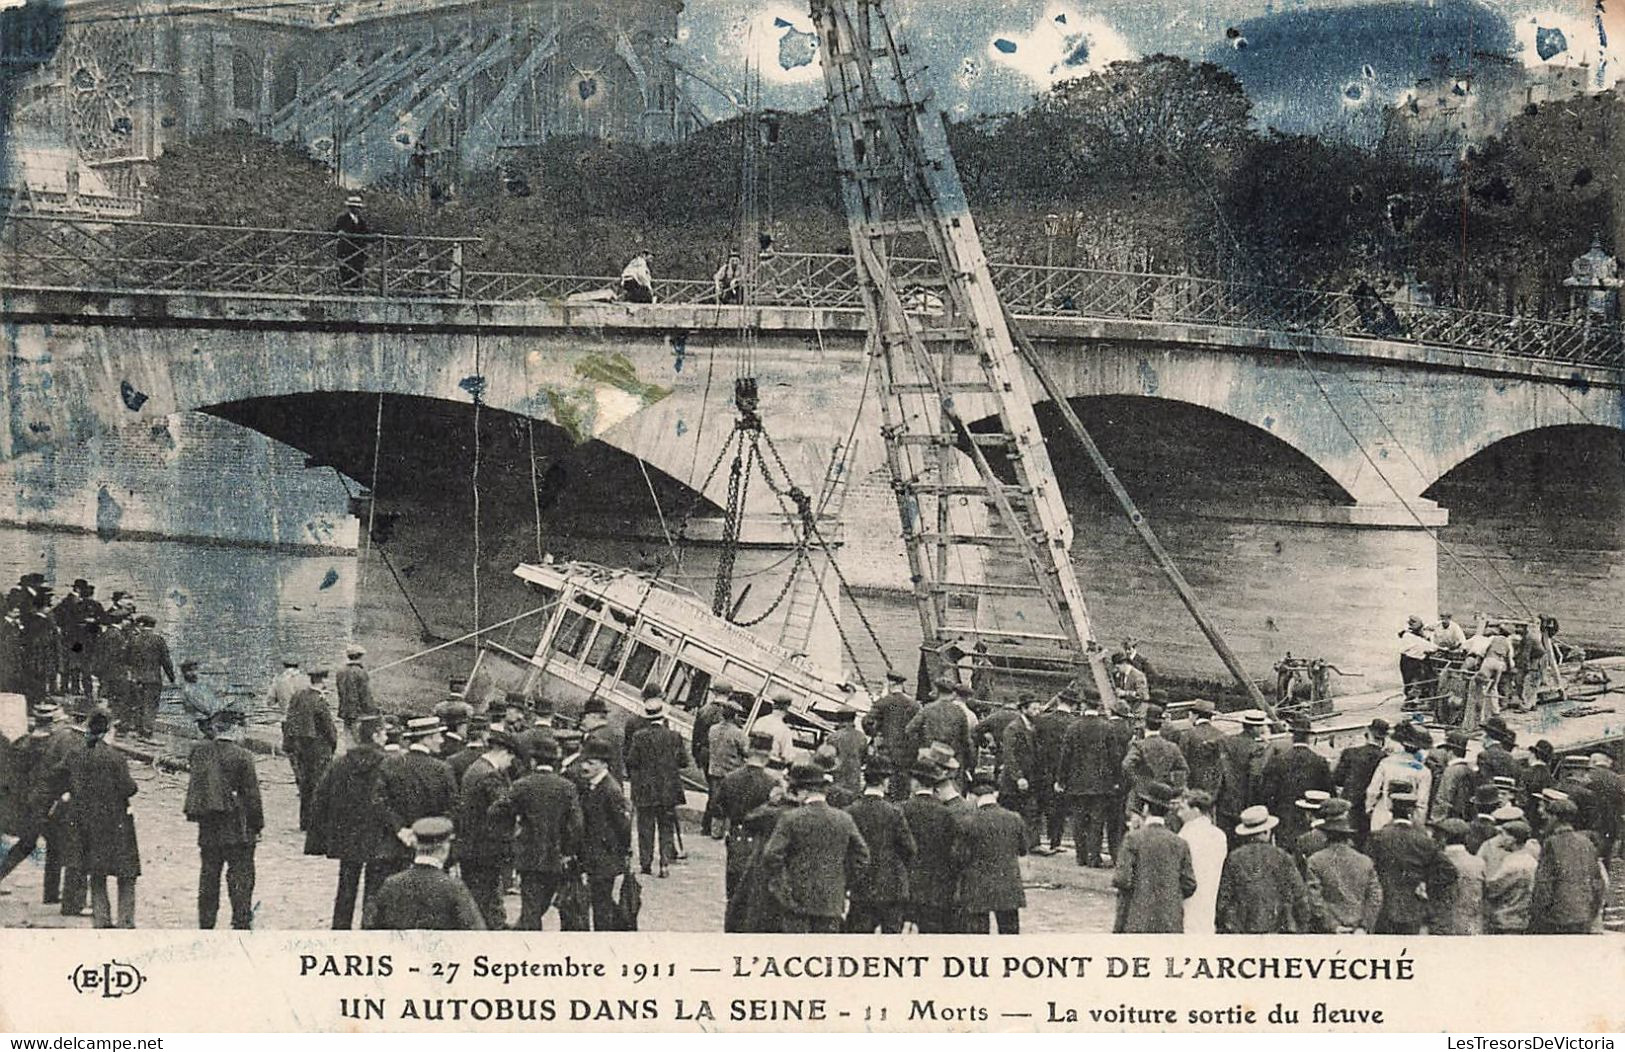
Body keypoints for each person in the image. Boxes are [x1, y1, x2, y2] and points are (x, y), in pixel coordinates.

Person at [761, 759, 870, 934]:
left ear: (803, 791)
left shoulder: (791, 818)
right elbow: (862, 857)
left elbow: (771, 856)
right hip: (831, 902)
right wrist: (842, 881)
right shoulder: (844, 819)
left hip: (796, 901)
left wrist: (782, 887)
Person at [490, 732, 583, 931]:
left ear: (533, 761)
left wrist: (514, 829)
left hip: (528, 856)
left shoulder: (522, 785)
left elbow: (496, 811)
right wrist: (568, 851)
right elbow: (576, 825)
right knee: (554, 904)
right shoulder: (567, 787)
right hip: (557, 857)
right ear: (555, 760)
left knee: (531, 908)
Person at [61, 709, 141, 928]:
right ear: (108, 731)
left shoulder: (76, 754)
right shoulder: (115, 757)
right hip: (116, 821)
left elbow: (61, 777)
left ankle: (102, 918)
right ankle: (125, 920)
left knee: (97, 871)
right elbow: (129, 788)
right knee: (126, 873)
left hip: (86, 821)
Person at [184, 709, 263, 930]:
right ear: (235, 729)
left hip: (208, 825)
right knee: (241, 875)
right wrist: (258, 825)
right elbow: (252, 796)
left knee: (209, 875)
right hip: (238, 827)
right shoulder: (243, 756)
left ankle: (206, 923)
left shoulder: (199, 751)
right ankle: (240, 920)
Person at [310, 714, 390, 929]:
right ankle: (369, 929)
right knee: (374, 887)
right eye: (384, 732)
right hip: (377, 835)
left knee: (346, 885)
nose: (387, 736)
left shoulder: (341, 763)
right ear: (375, 735)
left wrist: (322, 833)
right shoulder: (387, 764)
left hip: (347, 836)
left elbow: (320, 797)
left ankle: (340, 928)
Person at [371, 716, 458, 884]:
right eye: (438, 736)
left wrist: (401, 829)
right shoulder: (442, 769)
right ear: (427, 739)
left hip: (394, 845)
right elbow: (452, 807)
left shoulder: (390, 764)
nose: (441, 741)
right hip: (431, 847)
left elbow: (379, 801)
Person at [363, 817, 484, 930]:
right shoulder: (453, 887)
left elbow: (370, 930)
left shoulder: (391, 884)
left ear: (416, 846)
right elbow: (476, 934)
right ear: (444, 849)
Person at [456, 729, 523, 930]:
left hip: (472, 846)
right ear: (504, 753)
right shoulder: (490, 775)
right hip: (485, 848)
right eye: (510, 759)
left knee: (480, 894)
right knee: (487, 894)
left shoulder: (475, 768)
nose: (510, 765)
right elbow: (504, 807)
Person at [1367, 787, 1455, 934]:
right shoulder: (1423, 840)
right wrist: (1425, 884)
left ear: (1391, 810)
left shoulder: (1377, 837)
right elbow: (1449, 872)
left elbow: (1369, 868)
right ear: (1412, 812)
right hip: (1413, 907)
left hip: (1383, 907)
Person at [1112, 781, 1196, 933]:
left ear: (1145, 808)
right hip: (1170, 921)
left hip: (1137, 919)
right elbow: (1189, 884)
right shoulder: (1180, 842)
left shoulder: (1133, 839)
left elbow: (1122, 879)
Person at [843, 758, 915, 933]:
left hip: (861, 888)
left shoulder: (850, 812)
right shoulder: (894, 812)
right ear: (885, 782)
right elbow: (909, 848)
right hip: (891, 887)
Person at [1215, 805, 1309, 934]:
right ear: (1267, 832)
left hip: (1243, 929)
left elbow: (1224, 899)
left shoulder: (1234, 858)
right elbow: (1299, 894)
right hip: (1278, 928)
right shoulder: (1282, 856)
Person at [954, 774, 1027, 934]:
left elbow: (959, 856)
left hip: (977, 889)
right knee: (1010, 938)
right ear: (996, 794)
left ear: (973, 796)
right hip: (1008, 887)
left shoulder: (968, 821)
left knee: (979, 941)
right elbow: (1023, 850)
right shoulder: (1014, 818)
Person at [626, 695, 686, 877]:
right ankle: (665, 863)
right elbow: (683, 761)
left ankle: (646, 863)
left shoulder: (639, 736)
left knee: (645, 827)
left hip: (645, 789)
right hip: (668, 789)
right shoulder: (674, 736)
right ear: (663, 716)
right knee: (666, 826)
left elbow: (631, 761)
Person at [577, 737, 632, 931]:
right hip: (594, 856)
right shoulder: (592, 785)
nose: (584, 767)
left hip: (605, 857)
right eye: (584, 762)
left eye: (590, 763)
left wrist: (622, 852)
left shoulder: (610, 790)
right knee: (599, 901)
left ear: (603, 765)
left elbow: (623, 826)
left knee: (602, 906)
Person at [902, 753, 959, 933]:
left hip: (907, 882)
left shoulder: (901, 809)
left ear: (916, 783)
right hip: (936, 884)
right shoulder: (946, 813)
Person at [1529, 796, 1605, 934]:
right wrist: (1593, 908)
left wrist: (1538, 913)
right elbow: (1597, 881)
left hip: (1558, 915)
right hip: (1584, 912)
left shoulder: (1551, 843)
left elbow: (1544, 883)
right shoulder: (1586, 842)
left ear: (1555, 818)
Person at [1059, 695, 1118, 868]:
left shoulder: (1073, 727)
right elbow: (1114, 757)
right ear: (1098, 707)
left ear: (1084, 705)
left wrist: (1061, 780)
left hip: (1077, 783)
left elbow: (1066, 756)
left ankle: (1081, 856)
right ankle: (1094, 857)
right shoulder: (1107, 728)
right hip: (1101, 784)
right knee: (1096, 822)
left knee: (1079, 820)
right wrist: (1115, 779)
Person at [1304, 804, 1382, 933]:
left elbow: (1314, 899)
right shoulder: (1365, 861)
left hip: (1327, 931)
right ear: (1348, 836)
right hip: (1358, 930)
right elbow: (1375, 896)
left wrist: (1333, 925)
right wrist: (1364, 926)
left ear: (1326, 834)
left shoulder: (1315, 861)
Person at [1260, 712, 1333, 845]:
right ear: (1308, 737)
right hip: (1310, 820)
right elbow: (1329, 793)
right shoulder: (1319, 761)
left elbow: (1267, 794)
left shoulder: (1278, 761)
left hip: (1283, 819)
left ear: (1293, 736)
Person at [282, 667, 338, 832]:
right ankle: (318, 823)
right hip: (318, 749)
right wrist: (333, 744)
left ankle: (305, 822)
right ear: (323, 682)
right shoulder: (319, 701)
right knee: (319, 785)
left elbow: (290, 719)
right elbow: (329, 729)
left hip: (300, 748)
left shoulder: (298, 696)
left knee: (305, 785)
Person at [1366, 721, 1433, 832]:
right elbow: (1422, 802)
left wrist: (1369, 808)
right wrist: (1419, 824)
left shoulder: (1386, 763)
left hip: (1383, 812)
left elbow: (1373, 790)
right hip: (1407, 818)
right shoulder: (1423, 771)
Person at [1176, 789, 1227, 934]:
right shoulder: (1219, 835)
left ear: (1196, 810)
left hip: (1188, 893)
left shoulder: (1185, 835)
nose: (1179, 813)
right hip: (1211, 891)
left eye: (1183, 808)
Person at [864, 670, 921, 801]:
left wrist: (874, 734)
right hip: (907, 752)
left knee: (886, 782)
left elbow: (867, 721)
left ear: (890, 684)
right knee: (903, 785)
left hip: (887, 750)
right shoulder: (914, 705)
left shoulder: (883, 702)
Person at [997, 693, 1044, 848]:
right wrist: (1018, 777)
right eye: (1034, 709)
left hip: (1030, 777)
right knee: (1012, 810)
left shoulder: (1033, 727)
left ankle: (1030, 843)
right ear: (1024, 709)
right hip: (1014, 780)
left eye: (1038, 709)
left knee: (1030, 811)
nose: (1037, 712)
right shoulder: (1013, 728)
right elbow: (1009, 755)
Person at [1332, 719, 1388, 849]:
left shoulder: (1350, 753)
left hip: (1349, 807)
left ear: (1367, 733)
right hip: (1370, 812)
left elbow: (1337, 779)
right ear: (1384, 738)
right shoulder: (1385, 758)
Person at [1216, 709, 1269, 844]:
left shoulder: (1226, 741)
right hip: (1244, 803)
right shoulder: (1257, 748)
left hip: (1225, 802)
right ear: (1255, 728)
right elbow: (1255, 776)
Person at [906, 680, 977, 778]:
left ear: (938, 691)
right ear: (953, 693)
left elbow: (910, 730)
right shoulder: (959, 712)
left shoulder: (927, 709)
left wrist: (921, 748)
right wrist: (970, 762)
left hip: (929, 756)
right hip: (950, 759)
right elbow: (965, 740)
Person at [123, 614, 174, 739]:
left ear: (141, 625)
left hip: (137, 677)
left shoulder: (133, 640)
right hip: (153, 678)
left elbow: (126, 659)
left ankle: (138, 729)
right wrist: (171, 677)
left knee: (138, 704)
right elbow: (166, 661)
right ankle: (147, 731)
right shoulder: (159, 640)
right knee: (151, 705)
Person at [1482, 819, 1538, 934]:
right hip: (1522, 917)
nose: (1500, 838)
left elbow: (1493, 889)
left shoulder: (1512, 863)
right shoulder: (1531, 860)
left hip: (1507, 918)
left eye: (1503, 834)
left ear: (1512, 839)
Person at [1431, 817, 1484, 935]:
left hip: (1442, 926)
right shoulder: (1478, 863)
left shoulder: (1436, 862)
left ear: (1444, 838)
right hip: (1471, 925)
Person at [692, 681, 730, 836]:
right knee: (717, 791)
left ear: (714, 693)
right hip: (722, 754)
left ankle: (707, 825)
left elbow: (696, 736)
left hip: (705, 752)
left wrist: (697, 755)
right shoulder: (729, 712)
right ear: (729, 694)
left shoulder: (703, 710)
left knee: (712, 789)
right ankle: (710, 825)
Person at [335, 645, 375, 742]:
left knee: (347, 735)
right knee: (357, 737)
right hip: (358, 712)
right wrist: (371, 710)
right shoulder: (360, 672)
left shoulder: (340, 671)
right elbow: (365, 694)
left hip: (345, 710)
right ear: (359, 656)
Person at [333, 195, 370, 293]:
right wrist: (340, 232)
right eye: (356, 207)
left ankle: (354, 297)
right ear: (351, 208)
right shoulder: (342, 219)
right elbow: (335, 231)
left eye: (359, 207)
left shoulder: (361, 221)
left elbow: (366, 233)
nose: (358, 210)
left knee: (358, 275)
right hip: (346, 252)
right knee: (346, 274)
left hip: (359, 253)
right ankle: (345, 295)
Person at [1397, 616, 1439, 699]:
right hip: (1411, 661)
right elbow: (1429, 646)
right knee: (1415, 681)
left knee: (1410, 681)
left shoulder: (1409, 634)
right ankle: (1410, 701)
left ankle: (1414, 698)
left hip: (1407, 660)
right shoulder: (1411, 637)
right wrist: (1441, 649)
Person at [750, 693, 797, 767]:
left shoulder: (760, 721)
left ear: (773, 706)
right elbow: (787, 757)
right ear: (786, 709)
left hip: (752, 760)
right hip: (770, 765)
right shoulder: (784, 730)